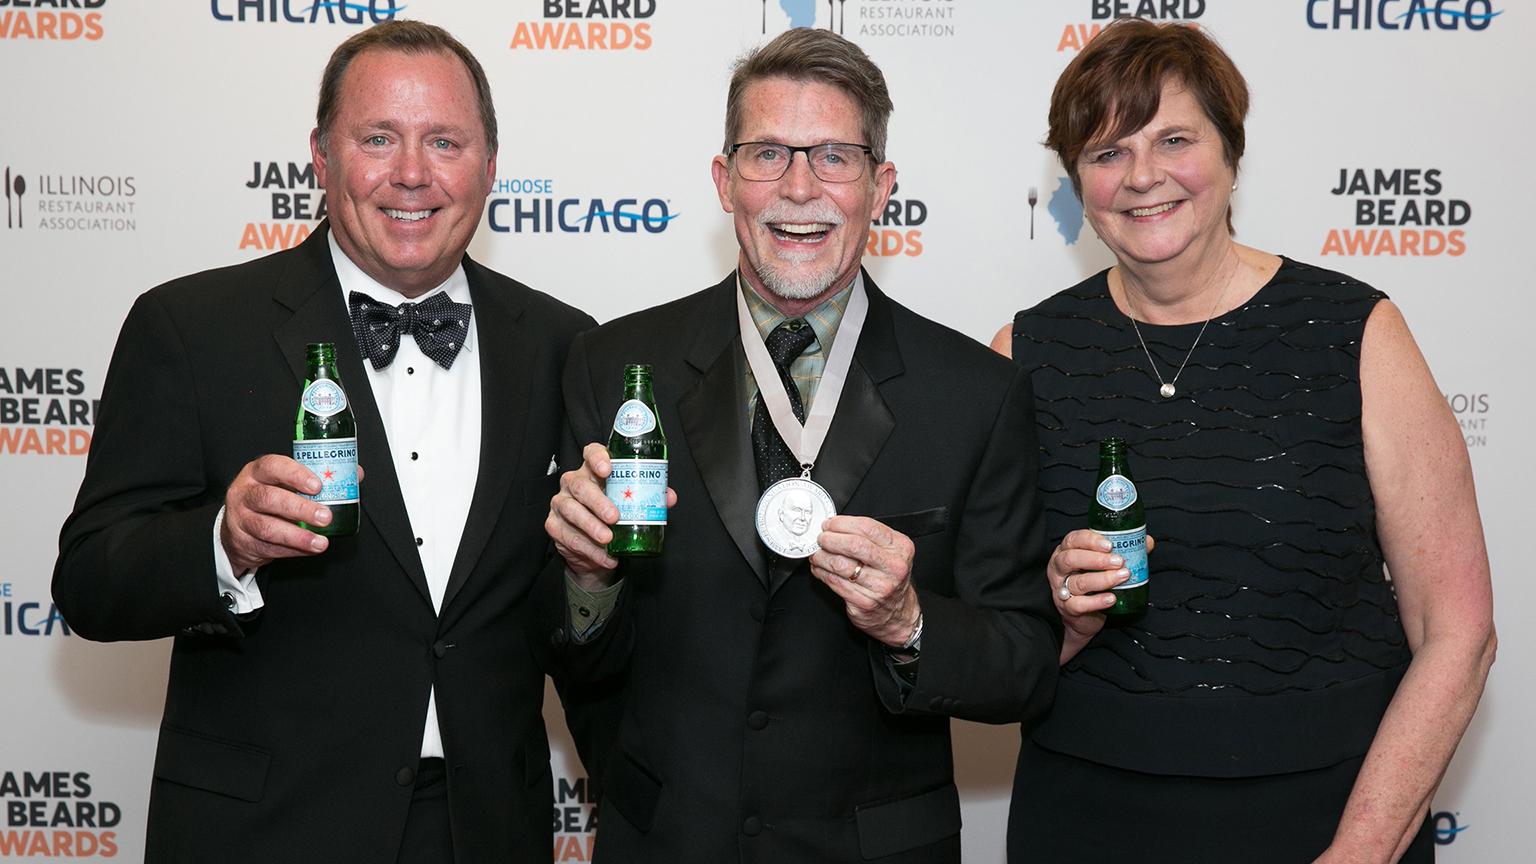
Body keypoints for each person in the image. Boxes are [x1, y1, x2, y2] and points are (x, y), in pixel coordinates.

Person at [52, 21, 594, 864]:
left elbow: (570, 611)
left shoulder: (563, 344)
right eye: (377, 138)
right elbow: (89, 581)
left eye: (443, 141)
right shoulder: (192, 329)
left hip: (483, 829)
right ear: (321, 157)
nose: (411, 173)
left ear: (489, 166)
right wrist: (223, 544)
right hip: (266, 830)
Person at [543, 27, 1061, 864]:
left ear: (881, 186)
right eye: (767, 154)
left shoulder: (976, 393)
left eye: (833, 156)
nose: (798, 188)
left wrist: (912, 621)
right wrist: (585, 580)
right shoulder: (613, 367)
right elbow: (561, 647)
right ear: (723, 180)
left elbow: (1027, 662)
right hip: (666, 840)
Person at [991, 18, 1495, 864]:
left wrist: (1362, 850)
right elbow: (990, 636)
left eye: (1174, 139)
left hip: (1326, 818)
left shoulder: (1354, 331)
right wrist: (1055, 613)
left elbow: (1458, 630)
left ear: (1231, 153)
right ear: (1078, 180)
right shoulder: (1023, 353)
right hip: (1083, 815)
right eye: (1107, 152)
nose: (1142, 175)